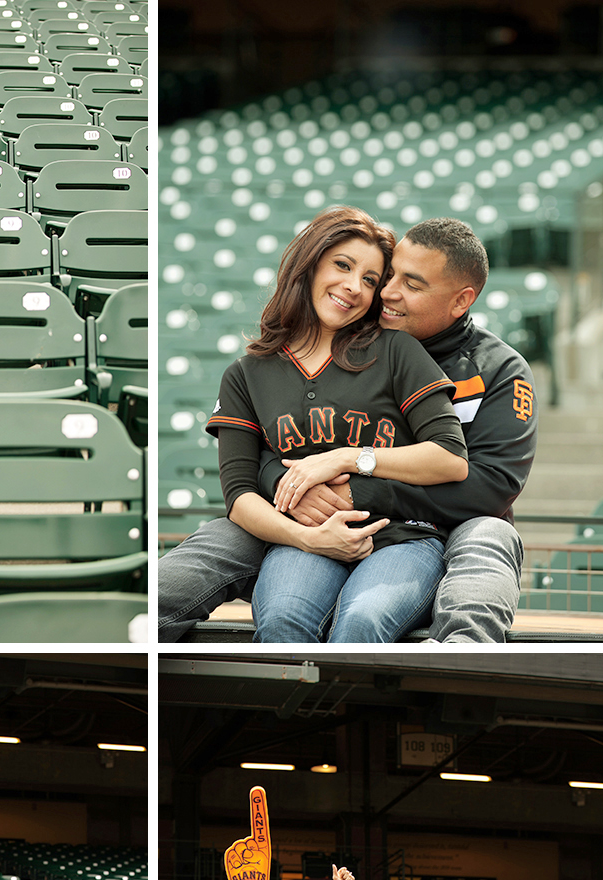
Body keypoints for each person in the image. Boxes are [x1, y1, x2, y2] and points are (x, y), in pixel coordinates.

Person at [159, 216, 538, 643]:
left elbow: (489, 486)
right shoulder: (332, 345)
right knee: (223, 552)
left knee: (488, 535)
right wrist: (289, 483)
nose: (387, 293)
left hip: (437, 527)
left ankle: (458, 662)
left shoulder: (495, 368)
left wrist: (353, 488)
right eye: (388, 277)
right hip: (305, 515)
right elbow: (267, 455)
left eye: (411, 285)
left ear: (460, 301)